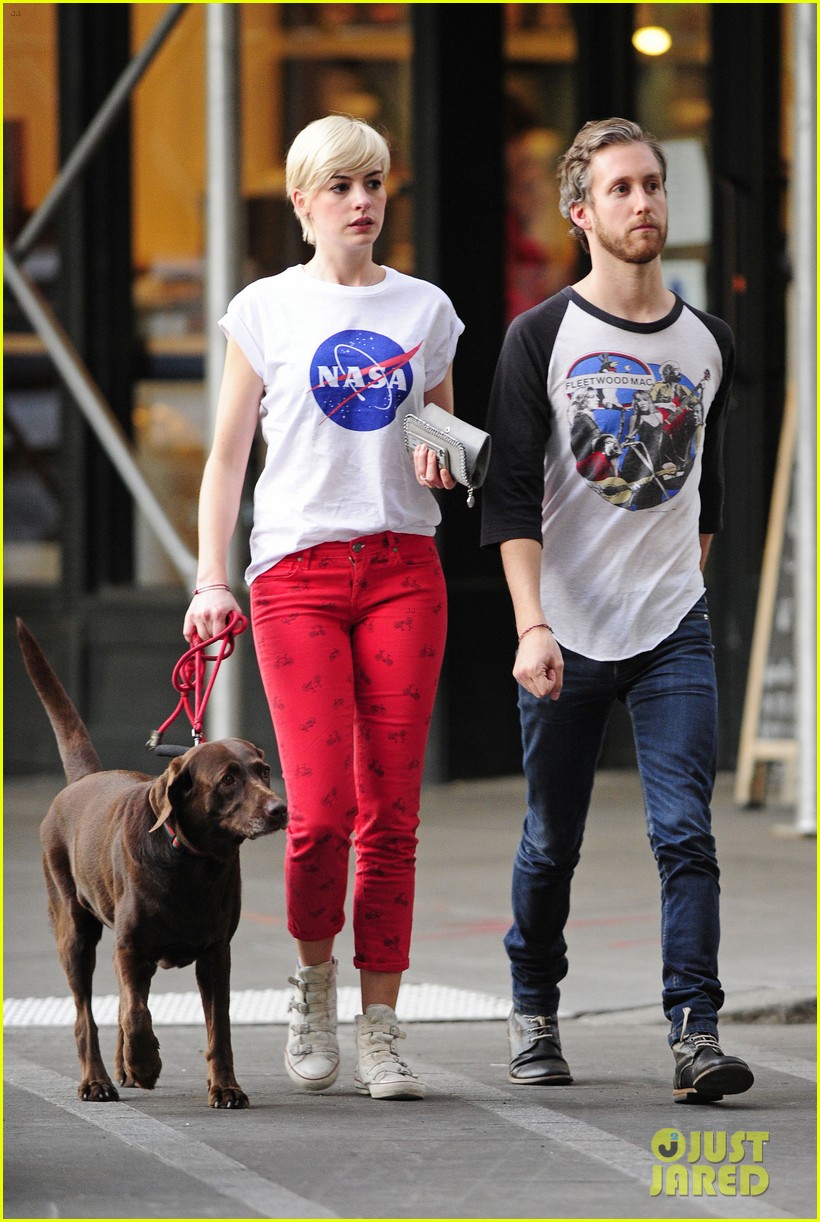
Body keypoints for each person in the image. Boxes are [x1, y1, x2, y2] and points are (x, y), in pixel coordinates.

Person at [184, 114, 463, 1101]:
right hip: (295, 572)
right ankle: (311, 987)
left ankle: (381, 1024)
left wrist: (441, 454)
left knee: (392, 810)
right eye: (340, 185)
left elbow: (440, 432)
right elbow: (226, 459)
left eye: (375, 182)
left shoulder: (424, 307)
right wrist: (210, 578)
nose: (362, 200)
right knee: (318, 813)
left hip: (400, 565)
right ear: (302, 203)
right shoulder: (263, 309)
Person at [480, 117, 754, 1104]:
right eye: (622, 189)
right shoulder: (540, 338)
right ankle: (532, 1002)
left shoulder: (708, 343)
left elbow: (706, 498)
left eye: (653, 185)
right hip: (561, 629)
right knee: (553, 834)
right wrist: (530, 626)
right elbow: (508, 498)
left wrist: (672, 584)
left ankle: (695, 1031)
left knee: (685, 832)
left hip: (670, 626)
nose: (643, 203)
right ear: (579, 212)